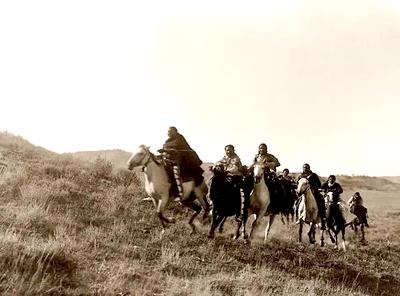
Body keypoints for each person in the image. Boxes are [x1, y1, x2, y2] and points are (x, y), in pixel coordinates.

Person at [159, 126, 204, 200]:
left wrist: (167, 151)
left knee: (175, 171)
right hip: (167, 162)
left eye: (170, 131)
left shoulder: (179, 140)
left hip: (181, 162)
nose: (168, 133)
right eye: (168, 132)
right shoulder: (167, 142)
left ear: (175, 131)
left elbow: (179, 151)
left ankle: (179, 192)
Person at [210, 145, 244, 220]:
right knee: (214, 182)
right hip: (225, 175)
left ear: (233, 150)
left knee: (238, 190)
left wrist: (228, 171)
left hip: (235, 176)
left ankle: (239, 210)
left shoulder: (236, 158)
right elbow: (219, 162)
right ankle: (212, 202)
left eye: (229, 150)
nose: (228, 151)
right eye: (227, 150)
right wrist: (215, 166)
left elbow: (235, 168)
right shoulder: (225, 157)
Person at [296, 163, 326, 229]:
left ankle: (322, 219)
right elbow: (297, 184)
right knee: (296, 203)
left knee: (321, 200)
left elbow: (319, 184)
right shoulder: (300, 176)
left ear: (309, 168)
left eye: (306, 167)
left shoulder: (313, 175)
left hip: (313, 192)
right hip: (303, 193)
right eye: (304, 167)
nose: (305, 168)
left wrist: (315, 189)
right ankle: (298, 218)